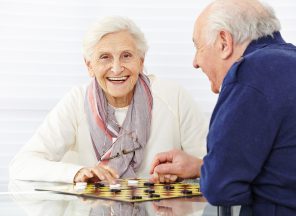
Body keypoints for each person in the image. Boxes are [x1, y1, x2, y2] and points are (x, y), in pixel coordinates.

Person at [9, 16, 208, 184]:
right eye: (104, 57)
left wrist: (185, 174)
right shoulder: (76, 101)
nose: (116, 68)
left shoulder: (174, 96)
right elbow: (22, 164)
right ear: (89, 66)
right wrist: (76, 173)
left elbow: (210, 164)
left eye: (126, 56)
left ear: (141, 61)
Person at [150, 0, 296, 215]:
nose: (195, 62)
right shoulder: (288, 61)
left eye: (198, 47)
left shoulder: (250, 74)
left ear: (224, 42)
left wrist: (214, 175)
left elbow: (220, 189)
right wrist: (202, 167)